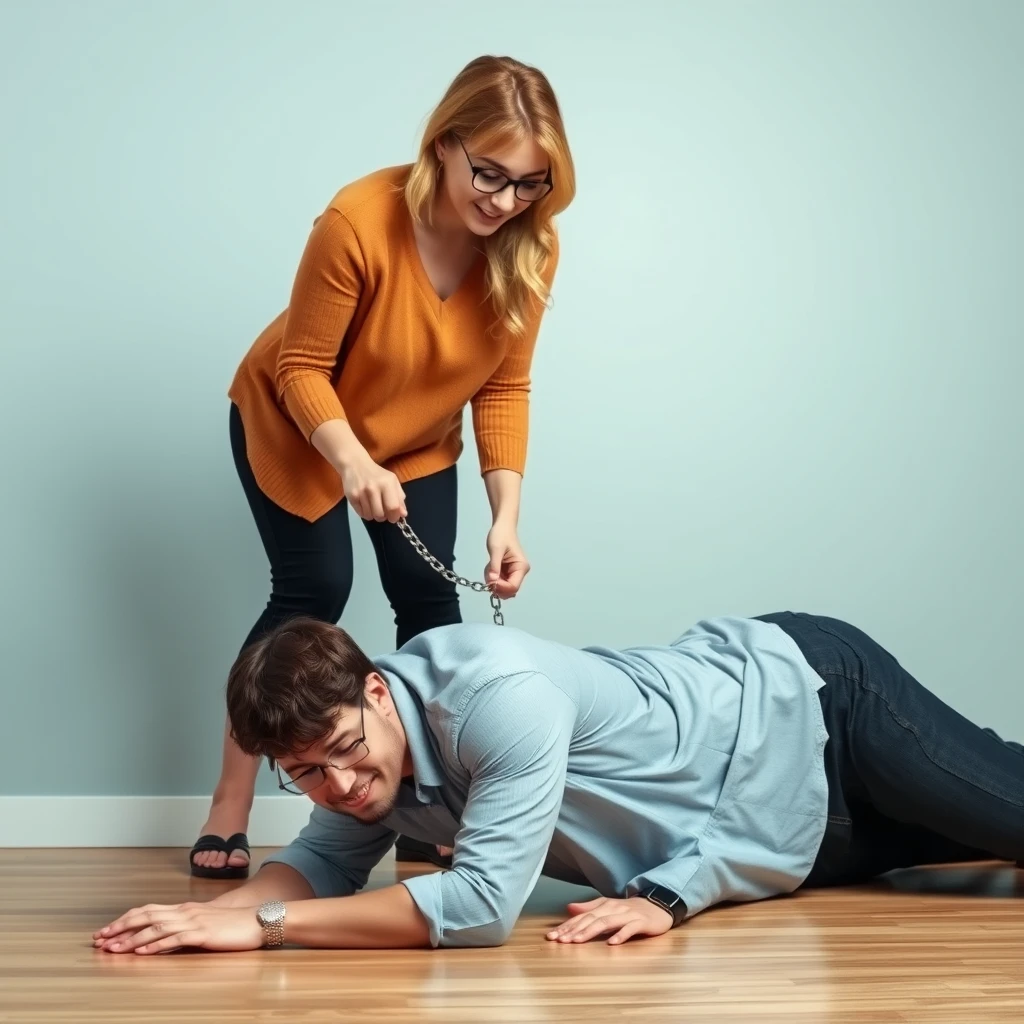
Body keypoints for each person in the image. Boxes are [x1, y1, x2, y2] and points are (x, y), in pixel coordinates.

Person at [189, 55, 576, 878]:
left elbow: (505, 386)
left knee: (429, 604)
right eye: (490, 174)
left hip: (415, 435)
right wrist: (352, 461)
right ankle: (230, 800)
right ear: (446, 143)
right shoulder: (358, 220)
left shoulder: (529, 249)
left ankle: (425, 808)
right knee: (311, 592)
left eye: (530, 183)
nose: (505, 201)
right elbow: (299, 368)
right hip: (301, 421)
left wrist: (506, 516)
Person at [99, 611, 1024, 954]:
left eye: (343, 747)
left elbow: (481, 910)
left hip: (817, 714)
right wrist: (211, 921)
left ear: (376, 689)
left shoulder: (495, 696)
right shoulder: (365, 772)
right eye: (305, 774)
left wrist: (262, 927)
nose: (338, 783)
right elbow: (320, 865)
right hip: (784, 838)